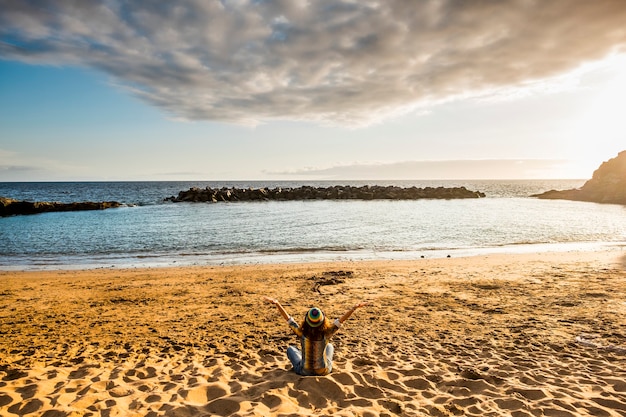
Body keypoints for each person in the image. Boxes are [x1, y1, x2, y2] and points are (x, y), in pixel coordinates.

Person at [263, 296, 369, 376]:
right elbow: (341, 320)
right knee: (330, 346)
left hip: (305, 371)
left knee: (291, 349)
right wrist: (354, 308)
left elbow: (289, 319)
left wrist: (277, 303)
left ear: (307, 320)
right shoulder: (327, 333)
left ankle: (305, 358)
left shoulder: (302, 332)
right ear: (322, 321)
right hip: (323, 371)